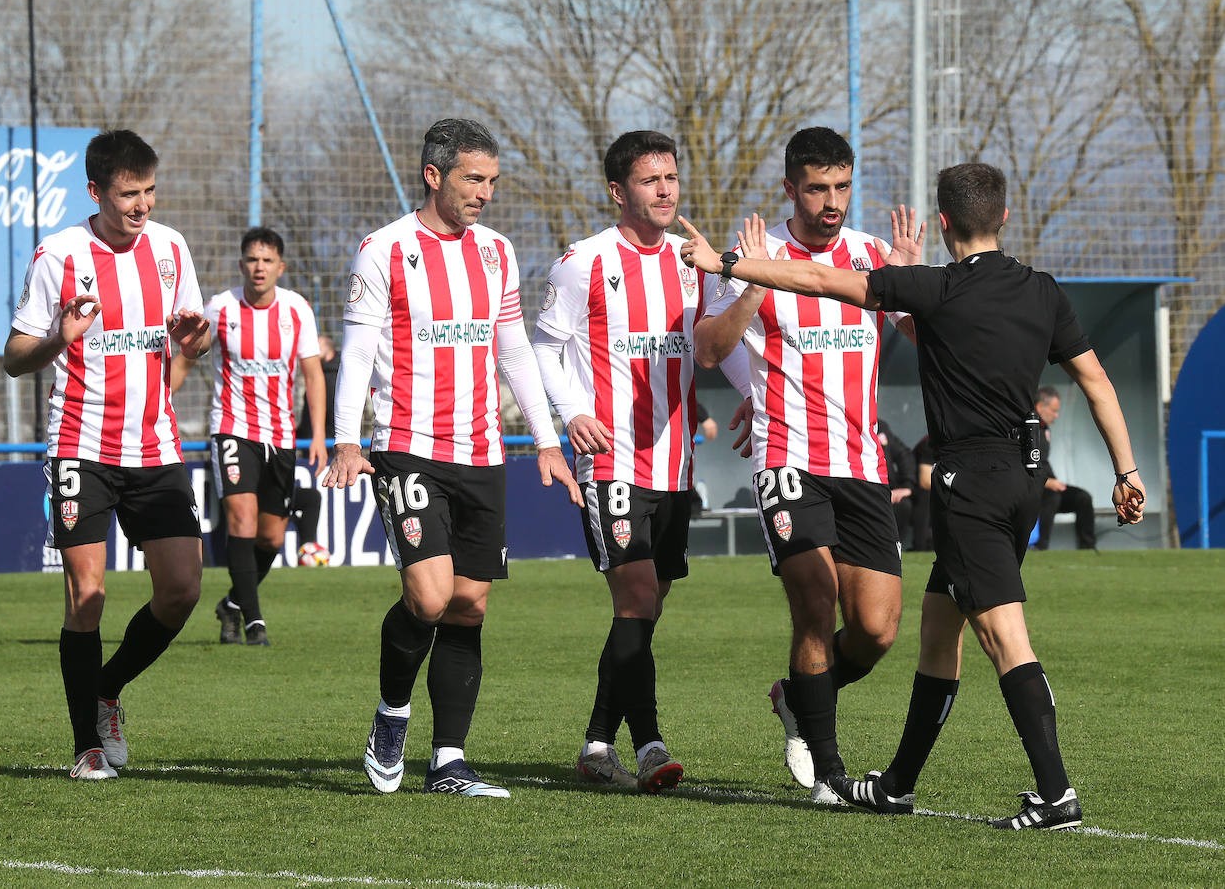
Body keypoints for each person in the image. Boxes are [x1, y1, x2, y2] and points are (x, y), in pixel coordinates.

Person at [680, 162, 1145, 830]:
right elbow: (1097, 380)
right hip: (1025, 475)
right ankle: (896, 784)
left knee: (1003, 632)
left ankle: (1055, 793)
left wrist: (729, 264)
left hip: (970, 481)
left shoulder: (933, 288)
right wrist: (1125, 472)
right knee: (938, 627)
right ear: (1005, 218)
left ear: (945, 222)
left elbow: (815, 278)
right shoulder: (1044, 291)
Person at [323, 118, 582, 798]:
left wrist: (546, 439)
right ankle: (391, 713)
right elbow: (354, 353)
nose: (486, 194)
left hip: (483, 451)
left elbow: (515, 350)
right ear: (434, 174)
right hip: (407, 447)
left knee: (468, 604)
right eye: (474, 178)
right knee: (429, 594)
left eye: (493, 181)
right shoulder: (382, 251)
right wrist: (347, 437)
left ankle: (448, 762)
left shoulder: (496, 252)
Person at [693, 127, 914, 804]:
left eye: (842, 187)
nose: (832, 202)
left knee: (876, 629)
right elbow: (707, 348)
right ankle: (830, 770)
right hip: (787, 454)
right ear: (790, 189)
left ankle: (795, 697)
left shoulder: (872, 253)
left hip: (862, 459)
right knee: (815, 604)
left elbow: (918, 335)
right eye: (818, 188)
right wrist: (755, 285)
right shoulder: (750, 255)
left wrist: (910, 280)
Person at [533, 130, 748, 793]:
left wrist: (756, 395)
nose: (665, 190)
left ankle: (598, 743)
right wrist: (571, 412)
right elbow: (544, 347)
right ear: (617, 191)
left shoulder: (694, 263)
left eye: (671, 178)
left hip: (676, 466)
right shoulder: (584, 263)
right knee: (636, 596)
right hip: (612, 464)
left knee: (645, 612)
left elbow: (714, 344)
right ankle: (651, 745)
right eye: (650, 180)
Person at [3, 129, 211, 781]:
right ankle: (84, 747)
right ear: (96, 191)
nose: (142, 204)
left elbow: (185, 349)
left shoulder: (172, 250)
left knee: (181, 590)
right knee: (87, 593)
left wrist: (193, 344)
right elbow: (13, 357)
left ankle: (107, 690)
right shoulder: (59, 256)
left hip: (155, 447)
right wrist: (55, 342)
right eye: (128, 194)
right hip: (80, 446)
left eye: (150, 191)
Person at [171, 226, 327, 646]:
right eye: (252, 260)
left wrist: (317, 435)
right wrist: (157, 403)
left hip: (280, 437)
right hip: (232, 429)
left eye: (267, 260)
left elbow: (313, 375)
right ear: (242, 265)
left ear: (280, 267)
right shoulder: (221, 308)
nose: (259, 268)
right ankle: (254, 622)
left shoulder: (297, 310)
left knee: (272, 537)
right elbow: (186, 360)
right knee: (240, 519)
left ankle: (233, 605)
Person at [1030, 385, 1096, 550]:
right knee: (1052, 496)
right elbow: (1025, 464)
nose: (1057, 415)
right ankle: (1040, 546)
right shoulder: (1029, 430)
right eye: (1054, 410)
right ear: (1039, 407)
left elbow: (1044, 461)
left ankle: (1087, 547)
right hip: (1033, 487)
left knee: (1083, 498)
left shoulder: (1045, 429)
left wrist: (1054, 481)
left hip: (1050, 483)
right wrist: (1046, 482)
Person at [293, 334, 339, 548]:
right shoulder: (317, 377)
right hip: (309, 449)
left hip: (325, 452)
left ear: (329, 352)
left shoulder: (333, 379)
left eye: (317, 345)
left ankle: (309, 545)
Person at [877, 419, 918, 548]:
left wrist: (907, 485)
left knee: (904, 505)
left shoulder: (879, 426)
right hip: (860, 488)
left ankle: (894, 548)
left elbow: (904, 454)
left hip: (887, 489)